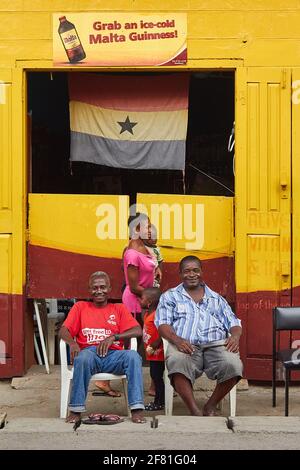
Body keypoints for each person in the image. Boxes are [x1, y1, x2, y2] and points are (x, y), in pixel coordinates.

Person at [155, 255, 243, 417]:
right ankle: (194, 410)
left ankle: (210, 405)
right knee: (177, 361)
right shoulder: (170, 296)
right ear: (180, 274)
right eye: (187, 271)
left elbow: (234, 322)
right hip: (185, 345)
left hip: (216, 345)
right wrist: (177, 340)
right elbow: (162, 324)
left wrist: (235, 336)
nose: (192, 274)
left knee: (233, 365)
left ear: (202, 272)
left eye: (195, 270)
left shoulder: (216, 299)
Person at [59, 271, 146, 424]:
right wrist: (72, 343)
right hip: (90, 354)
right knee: (83, 358)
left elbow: (138, 330)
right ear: (89, 290)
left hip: (114, 355)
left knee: (133, 356)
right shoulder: (80, 307)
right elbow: (63, 330)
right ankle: (76, 410)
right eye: (95, 287)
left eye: (103, 287)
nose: (99, 291)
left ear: (109, 289)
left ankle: (137, 409)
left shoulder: (118, 308)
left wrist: (114, 337)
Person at [122, 213, 156, 319]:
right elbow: (134, 288)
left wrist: (156, 269)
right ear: (136, 230)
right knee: (138, 334)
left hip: (145, 300)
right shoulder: (132, 254)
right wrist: (156, 296)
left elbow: (148, 262)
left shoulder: (144, 247)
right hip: (135, 304)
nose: (151, 230)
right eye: (147, 227)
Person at [141, 287, 165, 411]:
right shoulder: (147, 313)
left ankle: (159, 402)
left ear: (149, 302)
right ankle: (160, 400)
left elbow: (164, 330)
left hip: (158, 353)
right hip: (152, 353)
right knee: (155, 376)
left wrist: (156, 343)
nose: (140, 300)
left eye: (142, 298)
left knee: (156, 377)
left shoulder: (157, 315)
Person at [143, 224, 163, 288]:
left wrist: (159, 270)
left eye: (155, 236)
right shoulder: (142, 248)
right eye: (151, 236)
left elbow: (160, 261)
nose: (154, 239)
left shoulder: (157, 249)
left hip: (154, 275)